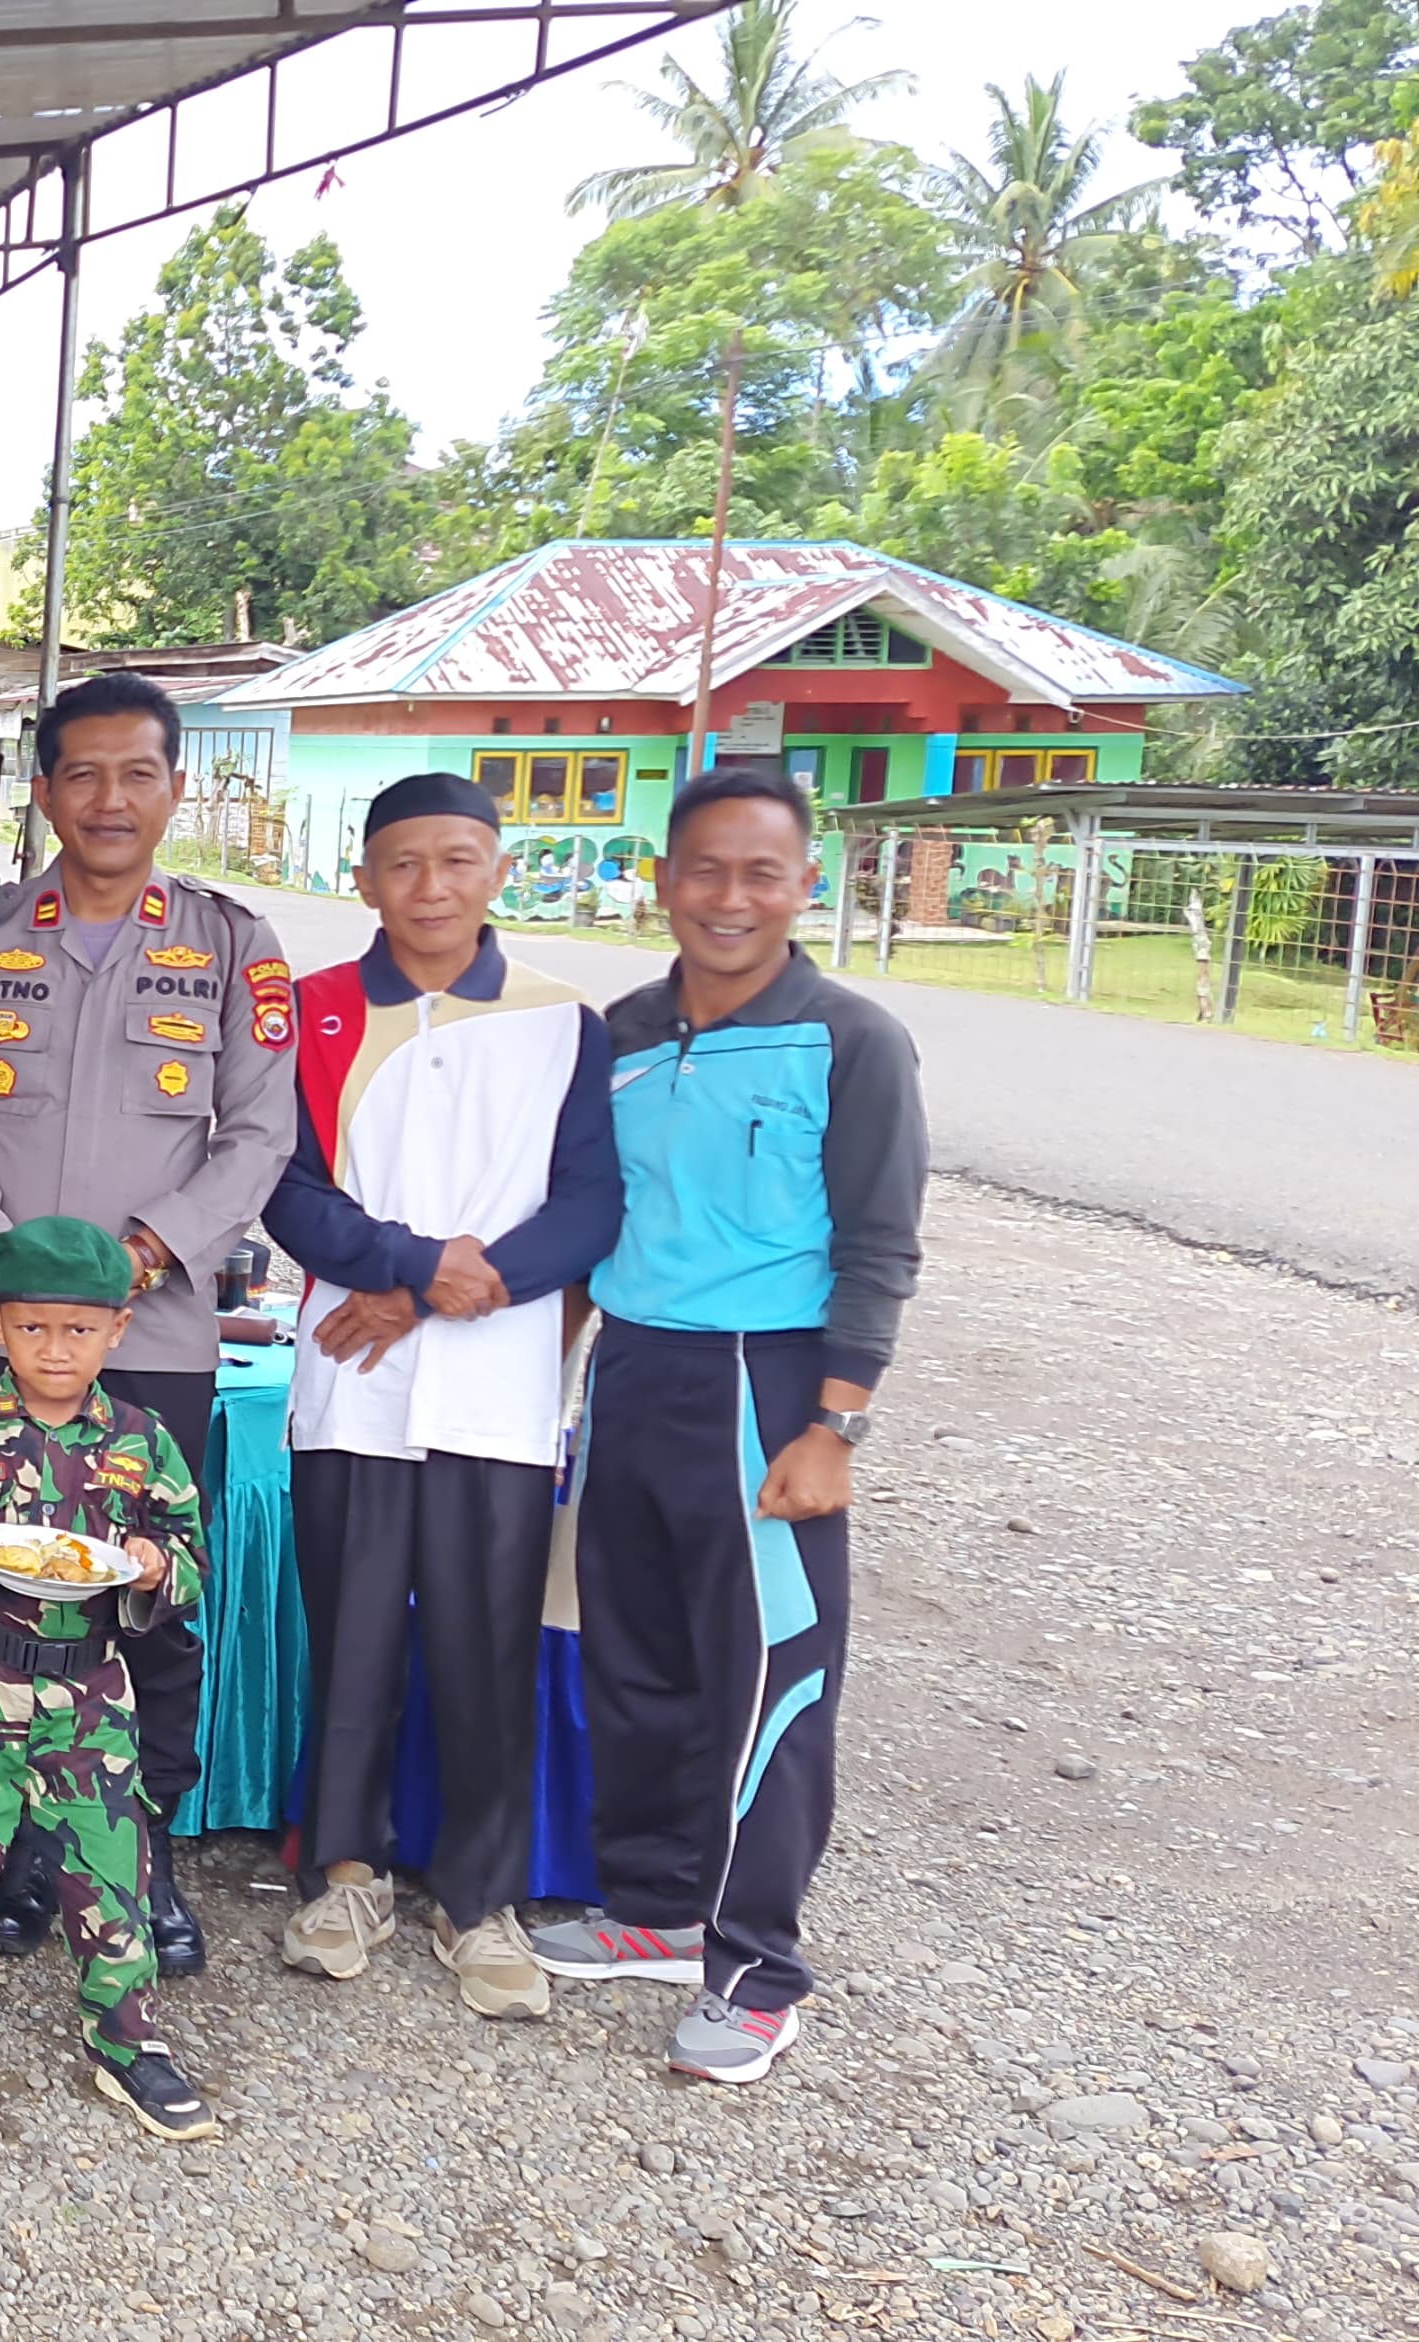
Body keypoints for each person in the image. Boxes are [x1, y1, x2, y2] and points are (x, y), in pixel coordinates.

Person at [531, 766, 924, 2087]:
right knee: (632, 1658)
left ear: (805, 884)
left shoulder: (851, 1040)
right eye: (705, 867)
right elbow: (588, 1217)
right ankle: (653, 1907)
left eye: (762, 871)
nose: (730, 896)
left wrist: (835, 1424)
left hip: (766, 1384)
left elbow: (879, 1241)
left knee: (769, 1678)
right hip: (634, 1369)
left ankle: (757, 1970)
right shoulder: (623, 1033)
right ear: (662, 880)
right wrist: (559, 1370)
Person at [0, 669, 291, 1974]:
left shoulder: (232, 944)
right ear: (44, 789)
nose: (109, 799)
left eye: (136, 774)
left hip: (151, 1331)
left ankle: (140, 1847)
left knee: (146, 1590)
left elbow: (259, 1133)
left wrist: (147, 1250)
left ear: (174, 787)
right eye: (83, 773)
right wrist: (5, 1264)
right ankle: (9, 1850)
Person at [258, 771, 621, 2018]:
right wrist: (409, 1264)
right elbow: (285, 1189)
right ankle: (341, 1870)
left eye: (457, 859)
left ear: (496, 870)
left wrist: (430, 1292)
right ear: (361, 878)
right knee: (350, 1634)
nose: (430, 886)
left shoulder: (560, 1020)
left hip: (495, 1387)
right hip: (349, 1383)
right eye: (403, 863)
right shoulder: (311, 1012)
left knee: (484, 1642)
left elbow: (590, 1204)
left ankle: (478, 1896)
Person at [0, 1215, 217, 2143]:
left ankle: (127, 2040)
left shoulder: (142, 1440)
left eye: (78, 1329)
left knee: (112, 1873)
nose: (54, 1349)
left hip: (92, 1691)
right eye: (31, 1328)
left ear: (117, 1331)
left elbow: (191, 1557)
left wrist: (155, 1567)